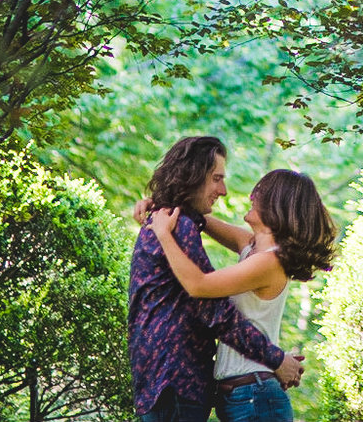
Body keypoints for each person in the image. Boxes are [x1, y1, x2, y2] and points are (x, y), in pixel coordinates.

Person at [129, 136, 304, 422]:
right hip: (177, 382)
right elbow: (213, 307)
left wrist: (277, 360)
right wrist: (161, 205)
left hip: (186, 384)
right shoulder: (179, 227)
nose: (224, 190)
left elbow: (206, 296)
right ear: (193, 177)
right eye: (216, 179)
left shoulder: (267, 256)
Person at [145, 165, 338, 422]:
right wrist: (159, 206)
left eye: (259, 192)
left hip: (255, 397)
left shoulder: (269, 262)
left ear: (275, 205)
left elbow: (198, 285)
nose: (251, 196)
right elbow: (197, 219)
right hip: (243, 396)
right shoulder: (252, 248)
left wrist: (163, 234)